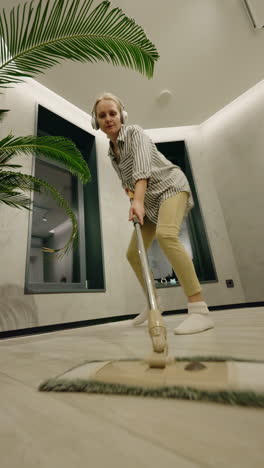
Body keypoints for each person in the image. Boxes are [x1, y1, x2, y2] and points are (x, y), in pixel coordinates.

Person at [91, 93, 214, 334]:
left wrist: (137, 200)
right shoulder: (111, 152)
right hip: (148, 200)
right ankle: (153, 304)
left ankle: (199, 310)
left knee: (167, 236)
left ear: (122, 116)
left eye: (112, 113)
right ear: (96, 121)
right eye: (102, 115)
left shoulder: (134, 132)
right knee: (133, 253)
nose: (108, 119)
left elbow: (142, 170)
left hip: (171, 186)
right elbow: (127, 182)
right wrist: (133, 199)